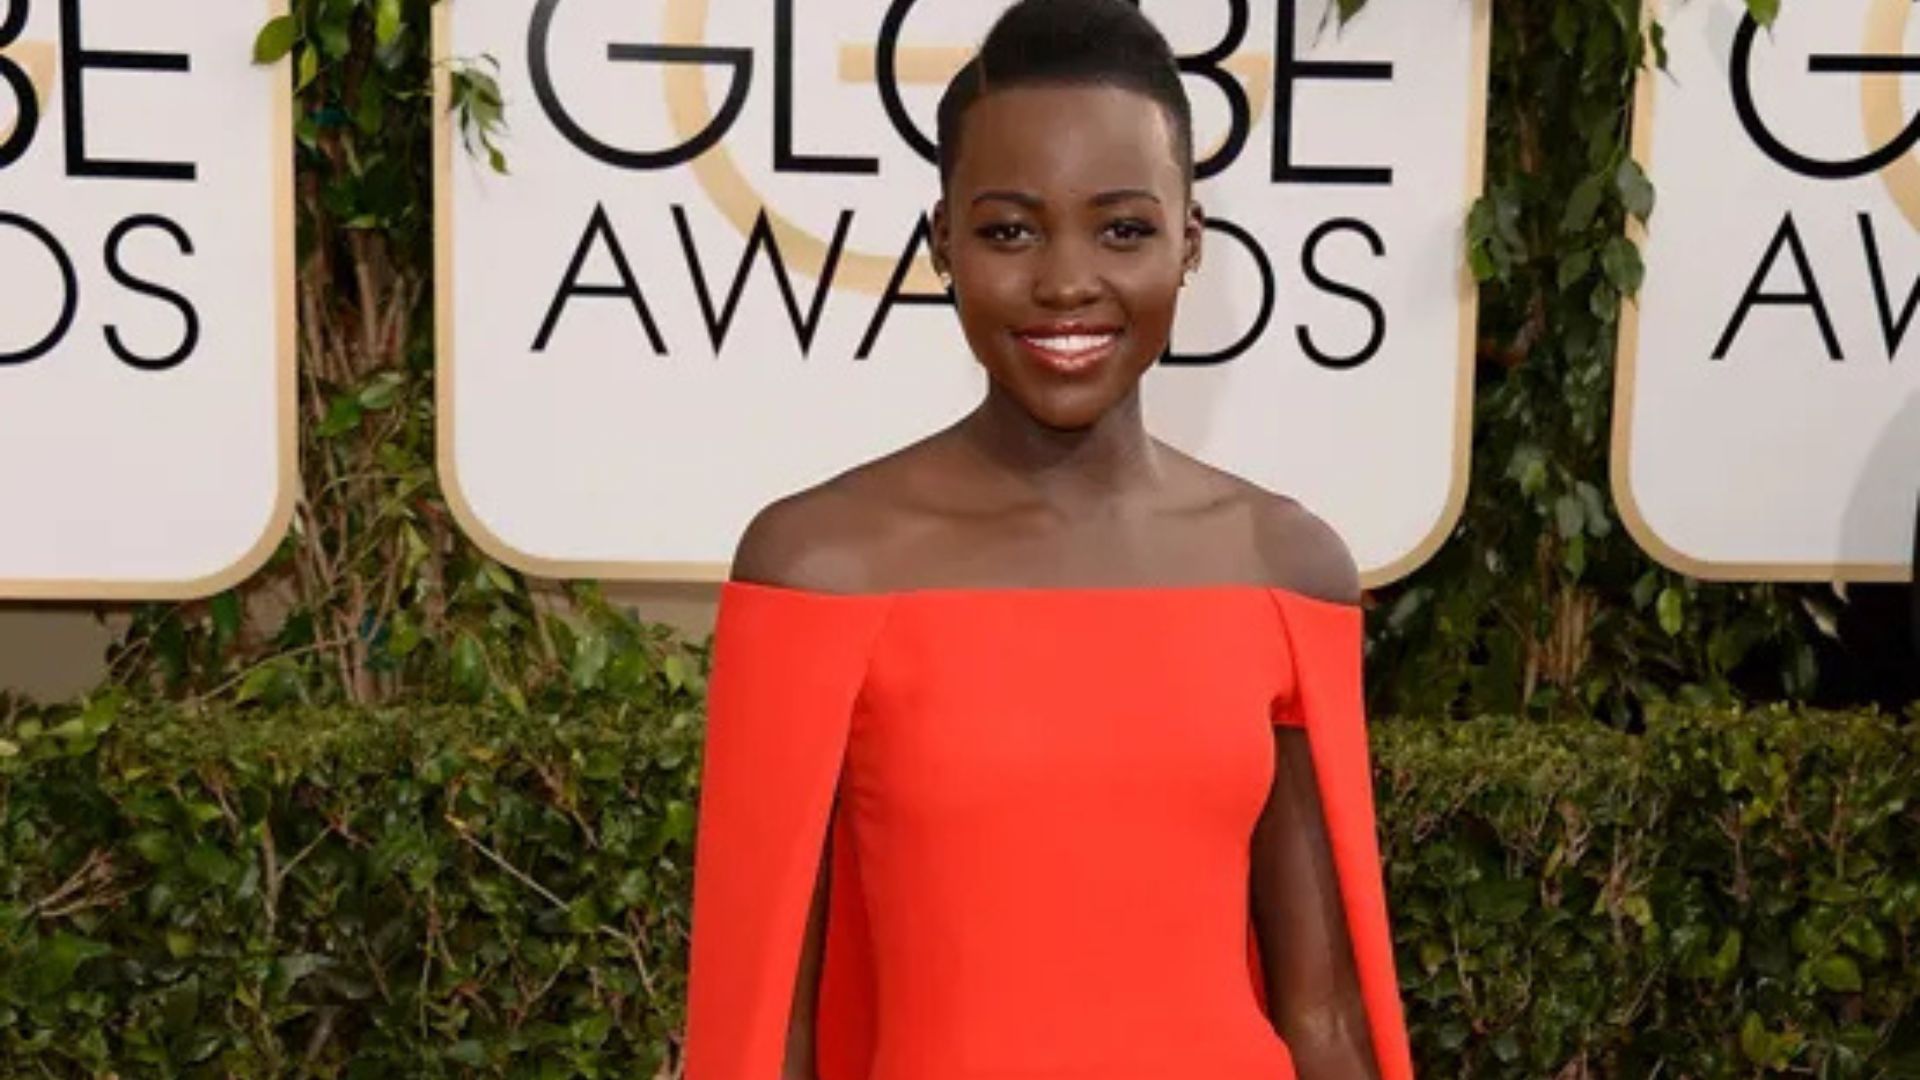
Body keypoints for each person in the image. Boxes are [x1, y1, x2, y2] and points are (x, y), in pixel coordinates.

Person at [682, 1, 1411, 1077]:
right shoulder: (819, 569)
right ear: (942, 244)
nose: (1068, 280)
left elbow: (1328, 1020)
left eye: (1123, 228)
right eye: (1010, 230)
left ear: (1190, 242)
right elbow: (761, 1037)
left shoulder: (1285, 568)